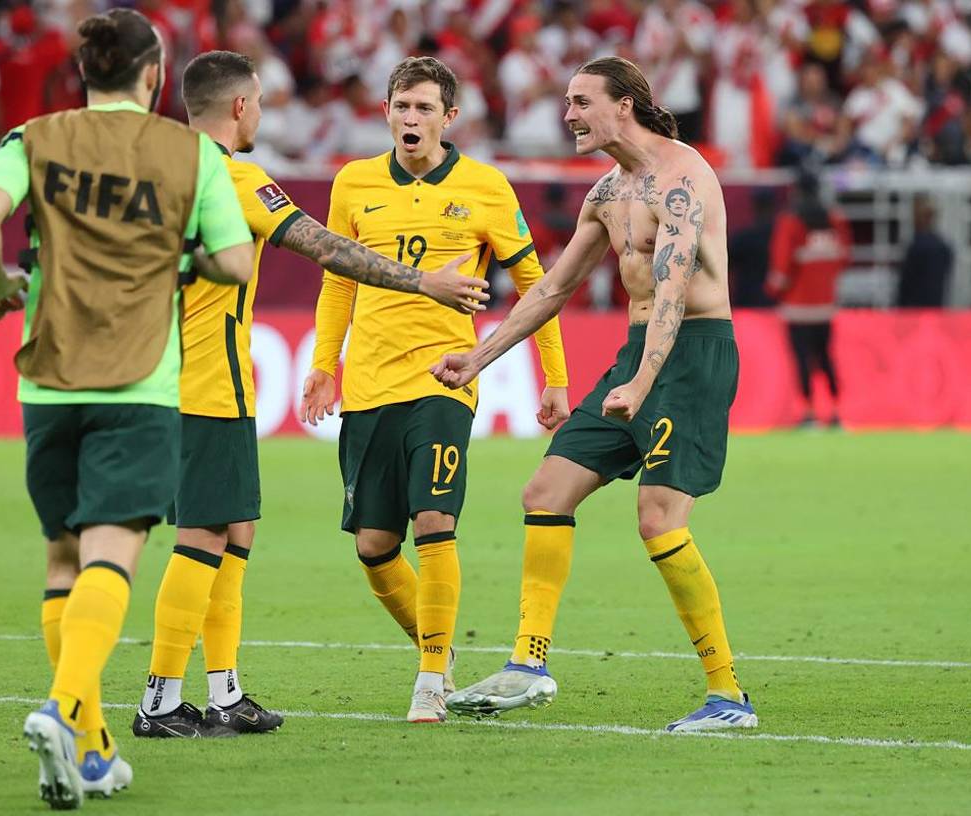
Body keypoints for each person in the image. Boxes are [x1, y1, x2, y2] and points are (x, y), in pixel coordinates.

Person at [131, 50, 489, 739]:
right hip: (209, 382)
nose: (261, 111)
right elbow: (327, 250)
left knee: (236, 529)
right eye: (259, 101)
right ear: (239, 108)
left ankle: (225, 692)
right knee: (204, 533)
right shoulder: (233, 176)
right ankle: (160, 699)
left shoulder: (151, 175)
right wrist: (425, 283)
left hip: (156, 376)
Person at [0, 9, 254, 809]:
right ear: (154, 76)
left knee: (61, 559)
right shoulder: (190, 153)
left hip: (46, 382)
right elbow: (235, 258)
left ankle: (90, 746)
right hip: (137, 386)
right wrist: (183, 257)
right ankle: (62, 710)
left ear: (84, 74)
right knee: (111, 556)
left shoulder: (33, 137)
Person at [432, 56, 758, 733]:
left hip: (692, 357)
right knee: (545, 492)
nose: (569, 114)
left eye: (582, 101)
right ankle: (528, 666)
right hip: (636, 356)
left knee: (659, 518)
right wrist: (480, 358)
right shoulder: (608, 193)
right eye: (568, 102)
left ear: (625, 105)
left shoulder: (682, 180)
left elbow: (672, 287)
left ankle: (728, 697)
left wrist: (643, 381)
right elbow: (552, 288)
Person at [300, 55, 570, 724]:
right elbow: (337, 276)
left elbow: (539, 287)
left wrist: (556, 377)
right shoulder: (354, 182)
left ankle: (428, 680)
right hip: (367, 381)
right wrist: (324, 362)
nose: (410, 118)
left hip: (447, 377)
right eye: (401, 106)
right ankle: (437, 647)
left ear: (450, 118)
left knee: (434, 521)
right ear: (386, 112)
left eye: (424, 108)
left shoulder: (484, 187)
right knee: (372, 545)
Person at [766, 172, 850, 428]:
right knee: (826, 358)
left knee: (803, 359)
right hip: (825, 306)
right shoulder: (835, 219)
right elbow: (844, 258)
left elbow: (780, 268)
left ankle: (809, 413)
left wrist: (773, 291)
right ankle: (836, 412)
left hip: (797, 308)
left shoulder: (790, 222)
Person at [897, 196, 952, 308]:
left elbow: (906, 282)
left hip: (916, 308)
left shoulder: (917, 245)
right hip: (935, 305)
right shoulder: (944, 246)